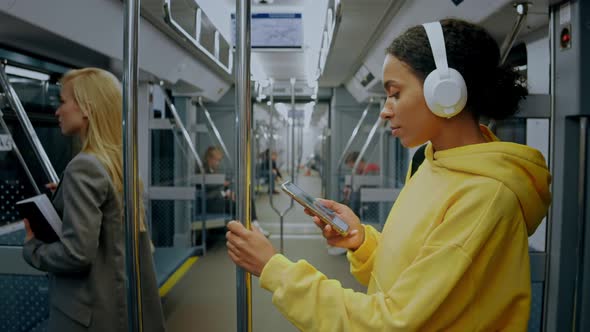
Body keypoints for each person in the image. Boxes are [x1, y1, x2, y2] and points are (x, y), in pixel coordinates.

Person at [225, 19, 551, 331]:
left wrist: (275, 270)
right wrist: (362, 241)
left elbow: (392, 323)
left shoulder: (483, 198)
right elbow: (412, 278)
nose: (385, 109)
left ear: (445, 91)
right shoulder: (430, 164)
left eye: (395, 93)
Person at [22, 68, 165, 332]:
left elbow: (76, 254)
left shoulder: (84, 168)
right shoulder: (119, 165)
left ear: (86, 108)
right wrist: (67, 195)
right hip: (120, 303)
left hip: (88, 315)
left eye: (63, 102)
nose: (57, 111)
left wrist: (33, 248)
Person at [202, 146, 269, 237]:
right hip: (211, 203)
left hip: (220, 199)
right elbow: (209, 189)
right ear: (210, 158)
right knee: (239, 205)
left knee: (248, 198)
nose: (217, 163)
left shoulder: (213, 170)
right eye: (216, 160)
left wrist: (228, 192)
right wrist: (224, 192)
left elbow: (221, 188)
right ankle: (249, 228)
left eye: (219, 161)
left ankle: (254, 225)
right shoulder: (204, 170)